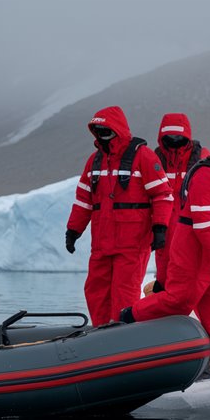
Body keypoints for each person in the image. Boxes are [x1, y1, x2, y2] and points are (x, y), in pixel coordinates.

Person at [119, 129, 210, 389]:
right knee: (178, 301)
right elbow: (204, 225)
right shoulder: (207, 176)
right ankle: (130, 315)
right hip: (195, 258)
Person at [66, 106, 173, 326]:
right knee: (95, 290)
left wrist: (160, 228)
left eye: (105, 129)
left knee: (125, 292)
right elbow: (83, 200)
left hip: (132, 242)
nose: (102, 134)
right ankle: (102, 333)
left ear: (117, 129)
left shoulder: (143, 156)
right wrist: (74, 230)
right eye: (98, 130)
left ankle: (122, 335)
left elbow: (162, 194)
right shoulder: (95, 161)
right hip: (102, 242)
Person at [151, 113, 210, 293]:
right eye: (170, 136)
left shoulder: (202, 157)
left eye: (179, 136)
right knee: (164, 275)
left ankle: (189, 313)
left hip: (191, 228)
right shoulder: (155, 159)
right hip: (164, 228)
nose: (174, 140)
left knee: (193, 274)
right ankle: (164, 311)